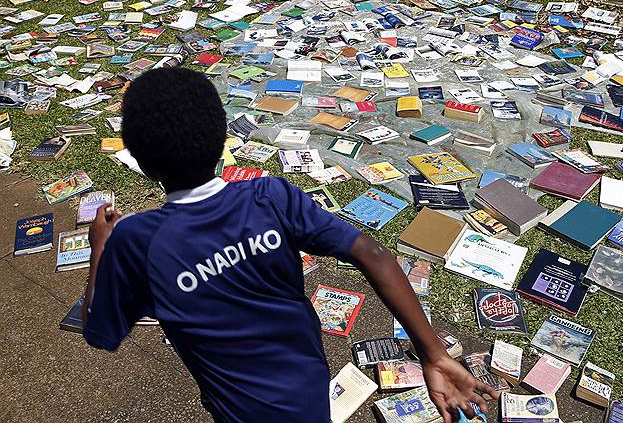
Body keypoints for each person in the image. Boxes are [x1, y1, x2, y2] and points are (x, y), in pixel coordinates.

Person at [82, 67, 496, 423]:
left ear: (138, 158)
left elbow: (101, 333)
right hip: (308, 379)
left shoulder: (136, 241)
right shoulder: (271, 197)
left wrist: (101, 249)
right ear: (223, 134)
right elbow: (372, 253)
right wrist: (433, 353)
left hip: (242, 409)